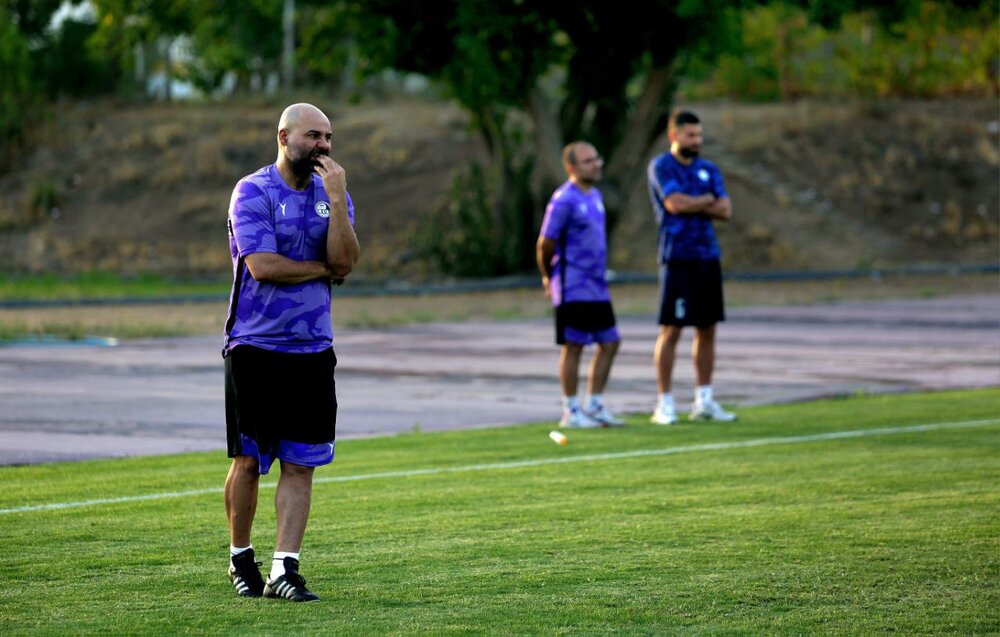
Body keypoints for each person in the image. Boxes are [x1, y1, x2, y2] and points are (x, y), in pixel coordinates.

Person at [222, 103, 360, 602]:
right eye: (313, 136)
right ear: (284, 137)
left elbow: (346, 260)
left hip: (313, 348)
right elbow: (262, 266)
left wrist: (339, 199)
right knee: (249, 459)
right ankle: (241, 557)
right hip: (255, 346)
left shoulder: (334, 194)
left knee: (302, 463)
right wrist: (323, 270)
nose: (323, 145)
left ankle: (284, 570)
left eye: (328, 137)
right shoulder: (253, 190)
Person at [647, 110, 736, 425]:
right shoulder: (661, 166)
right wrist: (704, 201)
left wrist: (696, 202)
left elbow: (725, 210)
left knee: (708, 328)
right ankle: (665, 402)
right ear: (674, 136)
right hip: (677, 258)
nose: (696, 141)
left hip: (707, 257)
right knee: (671, 329)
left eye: (699, 135)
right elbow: (674, 204)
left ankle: (704, 400)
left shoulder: (708, 168)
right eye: (690, 135)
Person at [536, 141, 624, 428]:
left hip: (597, 286)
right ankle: (571, 411)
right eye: (588, 161)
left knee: (610, 342)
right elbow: (545, 242)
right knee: (574, 345)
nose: (596, 163)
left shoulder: (595, 195)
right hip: (573, 284)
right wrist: (548, 276)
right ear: (572, 168)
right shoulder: (564, 199)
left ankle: (595, 405)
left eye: (597, 158)